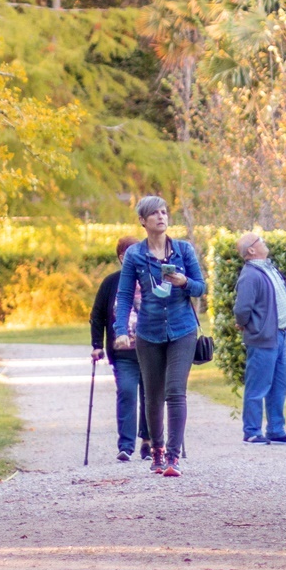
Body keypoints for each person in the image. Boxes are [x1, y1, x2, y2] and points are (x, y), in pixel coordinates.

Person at [113, 195, 206, 478]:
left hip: (182, 329)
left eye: (164, 212)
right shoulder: (134, 255)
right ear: (143, 220)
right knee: (152, 396)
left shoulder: (183, 250)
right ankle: (157, 452)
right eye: (154, 213)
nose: (161, 217)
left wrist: (184, 282)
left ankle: (174, 457)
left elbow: (201, 288)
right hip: (148, 332)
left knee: (175, 391)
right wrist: (119, 332)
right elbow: (126, 294)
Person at [232, 232, 286, 445]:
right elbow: (242, 308)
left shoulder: (267, 268)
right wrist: (246, 323)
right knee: (258, 386)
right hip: (263, 337)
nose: (264, 242)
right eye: (260, 240)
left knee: (279, 386)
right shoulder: (250, 274)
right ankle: (251, 431)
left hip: (279, 334)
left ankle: (276, 429)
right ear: (251, 250)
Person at [90, 236, 150, 462]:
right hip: (123, 353)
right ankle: (126, 445)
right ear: (122, 257)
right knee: (126, 392)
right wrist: (97, 345)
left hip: (151, 350)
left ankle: (148, 441)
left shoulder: (151, 279)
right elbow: (97, 316)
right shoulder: (111, 282)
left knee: (150, 396)